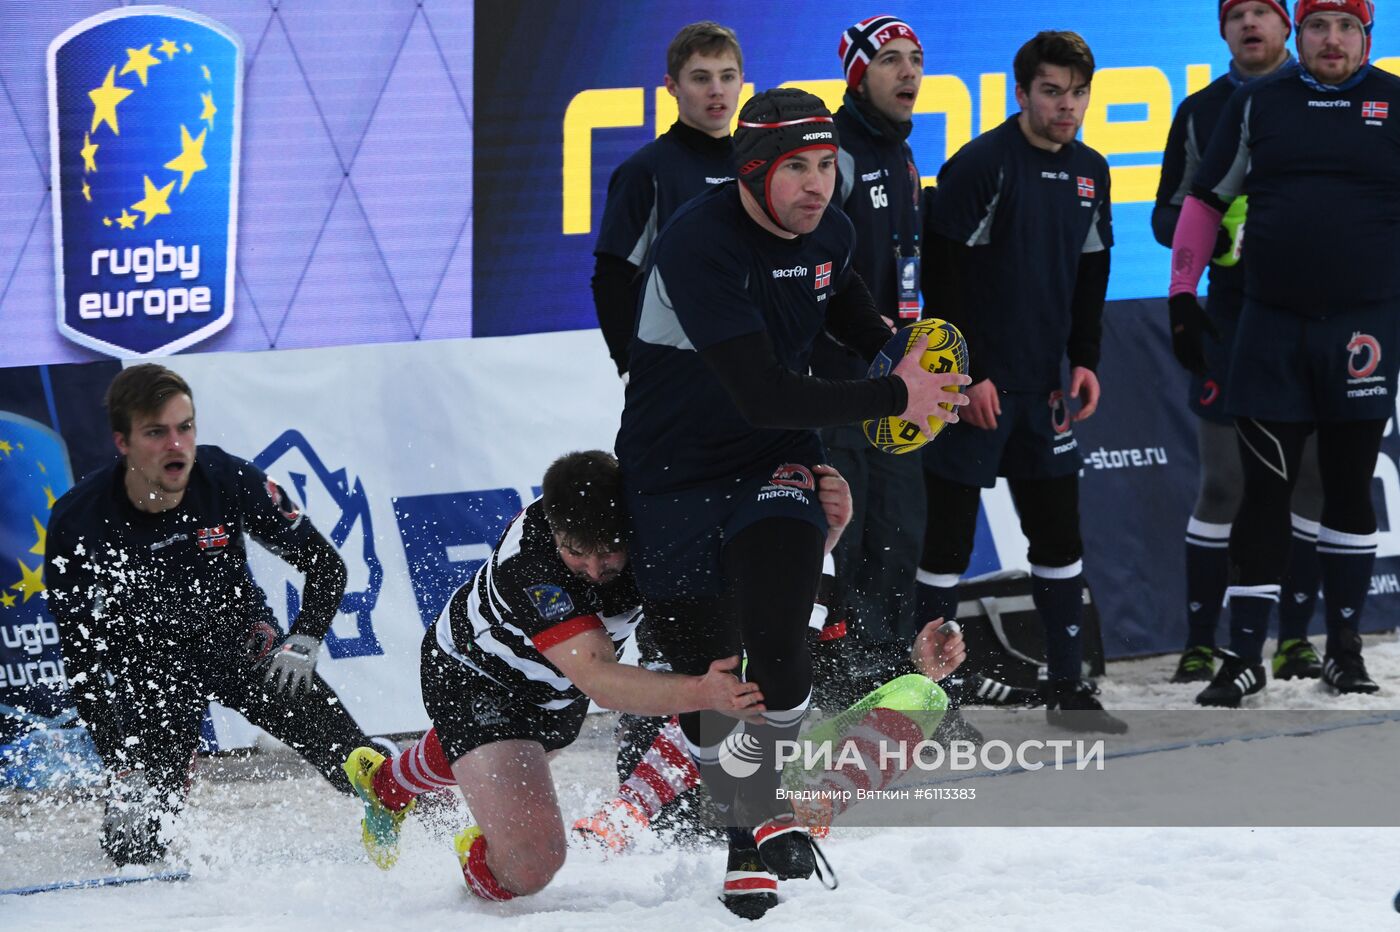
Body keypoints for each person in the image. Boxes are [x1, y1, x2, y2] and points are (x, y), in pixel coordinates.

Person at [614, 86, 971, 912]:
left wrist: (897, 352)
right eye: (797, 169)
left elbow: (841, 304)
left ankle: (757, 831)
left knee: (778, 630)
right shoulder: (698, 244)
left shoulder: (832, 228)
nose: (818, 185)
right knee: (713, 673)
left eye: (826, 165)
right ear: (752, 171)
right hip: (673, 474)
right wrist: (896, 396)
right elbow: (763, 392)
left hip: (776, 460)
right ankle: (746, 819)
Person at [343, 452, 932, 914]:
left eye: (609, 556)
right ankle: (480, 856)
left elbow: (766, 576)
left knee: (508, 747)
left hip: (554, 686)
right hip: (474, 677)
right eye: (579, 556)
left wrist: (823, 532)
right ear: (552, 529)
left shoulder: (659, 525)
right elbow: (601, 680)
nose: (596, 572)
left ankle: (391, 783)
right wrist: (703, 692)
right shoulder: (534, 566)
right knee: (533, 865)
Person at [43, 364, 375, 865]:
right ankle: (141, 797)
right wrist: (121, 764)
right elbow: (83, 657)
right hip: (150, 669)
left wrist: (304, 640)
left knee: (363, 770)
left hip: (241, 642)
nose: (176, 445)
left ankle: (441, 812)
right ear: (123, 442)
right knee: (137, 843)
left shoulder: (228, 477)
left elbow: (326, 565)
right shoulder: (79, 520)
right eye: (156, 433)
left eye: (185, 427)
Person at [1169, 0, 1395, 706]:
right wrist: (1181, 296)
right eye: (1319, 26)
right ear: (1299, 37)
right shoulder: (1261, 103)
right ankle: (1242, 657)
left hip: (1363, 330)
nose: (1333, 39)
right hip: (1269, 328)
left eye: (1347, 26)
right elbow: (1205, 201)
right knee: (1263, 492)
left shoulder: (1393, 104)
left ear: (1369, 36)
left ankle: (1346, 652)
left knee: (1349, 489)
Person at [914, 32, 1125, 733]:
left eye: (1078, 93)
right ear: (1023, 92)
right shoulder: (980, 164)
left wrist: (1084, 359)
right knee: (945, 545)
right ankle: (925, 701)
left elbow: (1092, 273)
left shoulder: (1093, 171)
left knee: (1059, 541)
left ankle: (1069, 690)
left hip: (1045, 391)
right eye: (1052, 91)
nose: (1067, 107)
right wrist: (966, 375)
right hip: (974, 391)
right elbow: (945, 280)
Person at [1153, 0, 1326, 686]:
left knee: (1309, 479)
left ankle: (1295, 642)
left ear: (1289, 26)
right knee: (1224, 483)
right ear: (1222, 29)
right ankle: (1201, 642)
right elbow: (1168, 211)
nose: (1251, 22)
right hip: (1229, 317)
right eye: (1238, 12)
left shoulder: (1327, 97)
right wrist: (1214, 238)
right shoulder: (1200, 108)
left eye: (1265, 10)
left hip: (1318, 316)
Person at [809, 14, 928, 658]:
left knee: (900, 532)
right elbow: (816, 268)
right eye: (890, 60)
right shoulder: (837, 153)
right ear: (858, 75)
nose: (908, 71)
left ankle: (885, 677)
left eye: (914, 58)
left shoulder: (902, 152)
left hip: (899, 381)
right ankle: (828, 680)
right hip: (839, 385)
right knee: (842, 540)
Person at [593, 21, 743, 379]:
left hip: (755, 367)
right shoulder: (646, 171)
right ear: (672, 87)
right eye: (701, 78)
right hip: (676, 372)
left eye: (727, 76)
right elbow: (611, 279)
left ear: (742, 80)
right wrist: (631, 366)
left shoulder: (757, 166)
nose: (716, 90)